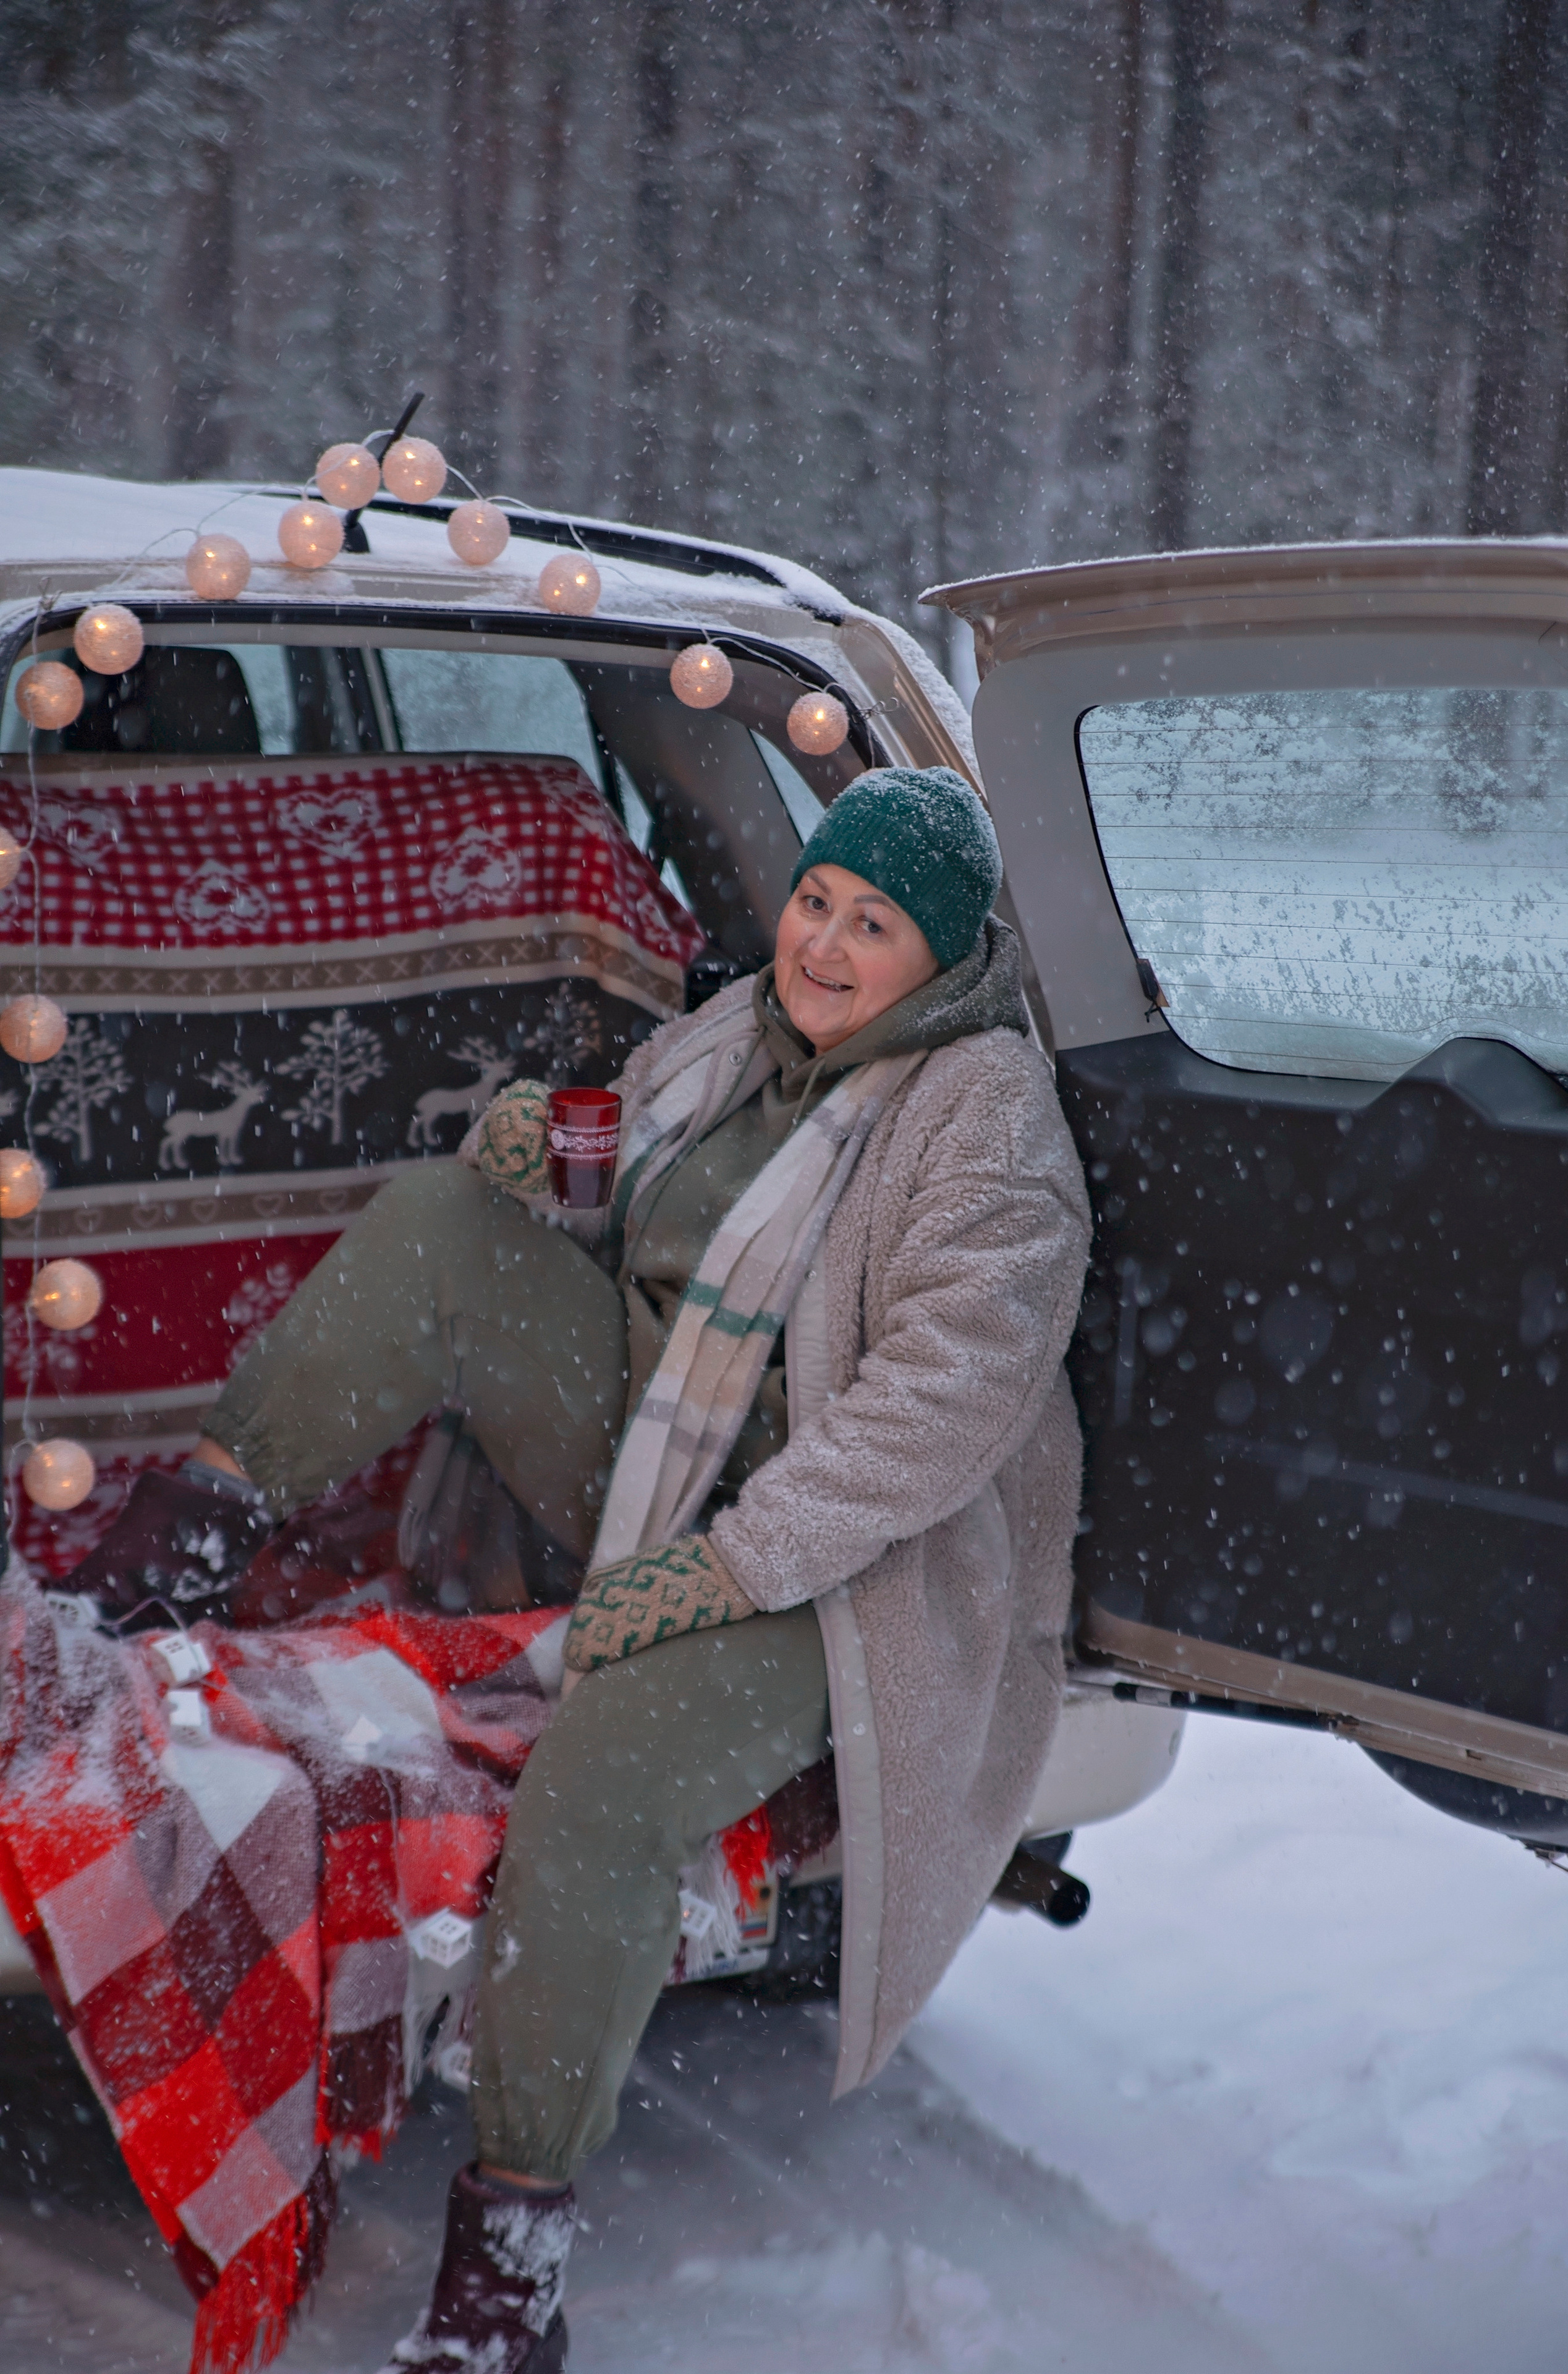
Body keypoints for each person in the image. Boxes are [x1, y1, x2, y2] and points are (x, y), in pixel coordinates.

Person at [65, 767, 1092, 2374]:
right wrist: (540, 1156)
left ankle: (508, 2287)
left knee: (598, 1791)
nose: (822, 943)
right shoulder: (740, 1029)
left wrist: (719, 1574)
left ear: (943, 960)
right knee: (434, 1222)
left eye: (872, 924)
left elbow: (941, 1413)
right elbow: (629, 1210)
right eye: (816, 898)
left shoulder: (982, 1119)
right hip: (665, 1452)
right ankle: (166, 1558)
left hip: (840, 1564)